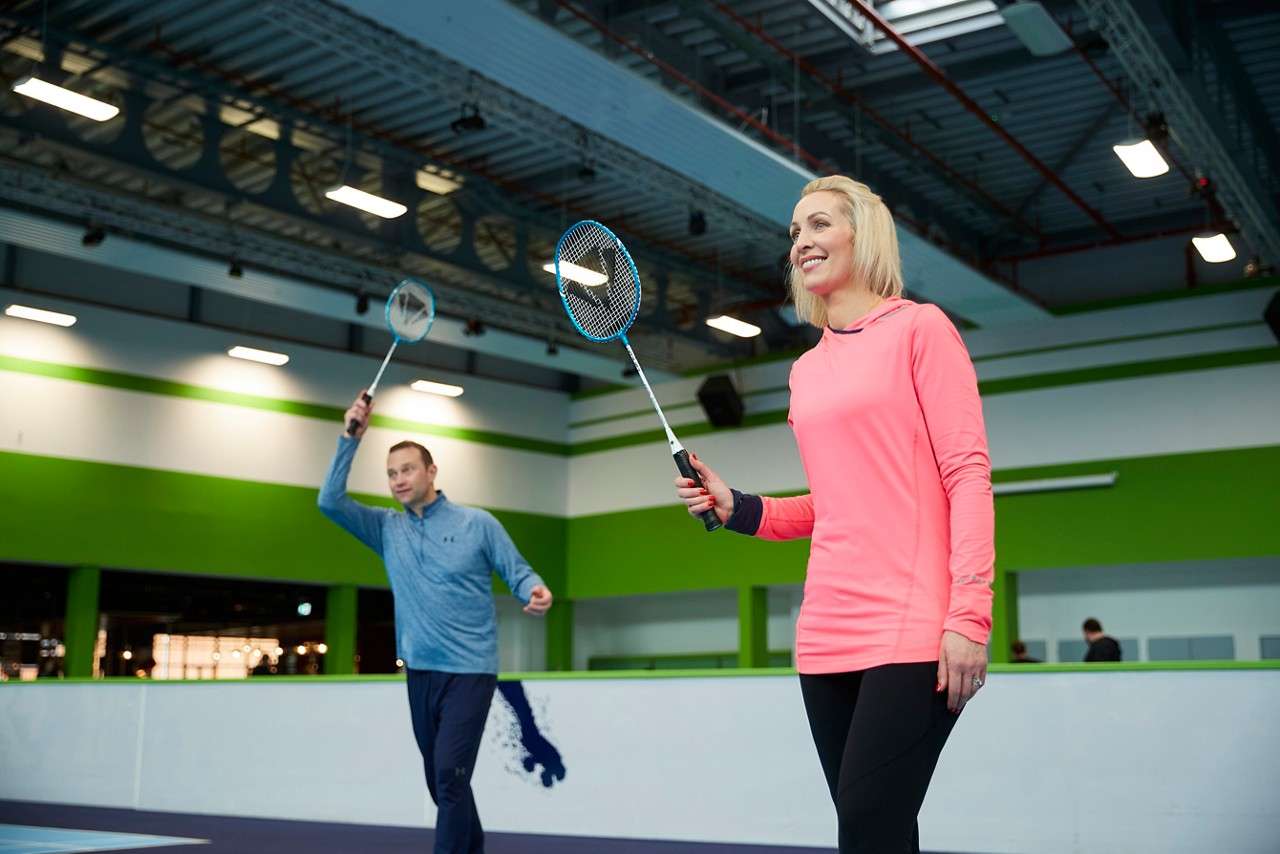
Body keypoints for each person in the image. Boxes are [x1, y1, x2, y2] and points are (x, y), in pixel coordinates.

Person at [675, 175, 994, 854]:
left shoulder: (921, 329)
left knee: (867, 828)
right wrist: (741, 508)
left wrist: (970, 615)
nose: (802, 242)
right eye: (795, 231)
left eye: (819, 224)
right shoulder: (807, 371)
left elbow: (967, 475)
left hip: (911, 624)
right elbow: (835, 505)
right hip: (825, 631)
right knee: (880, 831)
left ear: (863, 235)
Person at [318, 391, 553, 854]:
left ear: (431, 472)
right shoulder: (387, 529)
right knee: (444, 781)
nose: (398, 480)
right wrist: (351, 437)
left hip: (470, 672)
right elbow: (330, 500)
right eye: (391, 474)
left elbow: (518, 571)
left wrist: (534, 589)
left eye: (407, 469)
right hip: (421, 672)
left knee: (448, 775)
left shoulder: (477, 524)